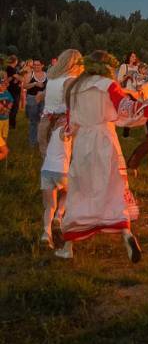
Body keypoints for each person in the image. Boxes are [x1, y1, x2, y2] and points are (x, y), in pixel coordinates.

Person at [55, 50, 148, 261]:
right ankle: (126, 233)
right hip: (105, 139)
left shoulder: (73, 87)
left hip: (83, 141)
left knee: (81, 189)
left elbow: (70, 122)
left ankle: (68, 247)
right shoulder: (108, 85)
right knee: (113, 187)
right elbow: (126, 108)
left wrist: (67, 133)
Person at [38, 49, 83, 248]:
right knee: (72, 187)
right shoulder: (70, 80)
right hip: (59, 127)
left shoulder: (52, 78)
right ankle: (60, 217)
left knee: (48, 202)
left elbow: (44, 98)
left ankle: (45, 234)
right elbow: (74, 104)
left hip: (45, 125)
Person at [22, 59, 47, 147]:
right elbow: (24, 86)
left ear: (42, 65)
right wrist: (34, 84)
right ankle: (32, 142)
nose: (36, 66)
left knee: (43, 120)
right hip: (32, 99)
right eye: (34, 65)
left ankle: (41, 140)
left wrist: (43, 92)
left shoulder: (46, 75)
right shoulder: (30, 74)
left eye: (38, 65)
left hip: (43, 99)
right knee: (33, 121)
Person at [117, 52, 140, 138]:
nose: (134, 58)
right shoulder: (124, 66)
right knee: (127, 112)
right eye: (132, 56)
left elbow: (138, 80)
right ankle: (125, 134)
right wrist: (127, 76)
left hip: (135, 92)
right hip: (126, 91)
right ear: (129, 57)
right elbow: (119, 80)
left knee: (133, 112)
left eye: (135, 56)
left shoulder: (137, 68)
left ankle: (127, 131)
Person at [4, 55, 23, 129]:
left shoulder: (12, 69)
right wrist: (20, 78)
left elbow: (15, 79)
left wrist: (17, 79)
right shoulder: (10, 68)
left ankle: (11, 123)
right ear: (15, 61)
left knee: (13, 107)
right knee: (14, 107)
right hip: (13, 91)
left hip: (13, 90)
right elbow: (19, 78)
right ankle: (11, 124)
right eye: (17, 61)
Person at [0, 75, 13, 144]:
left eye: (5, 85)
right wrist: (4, 108)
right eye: (1, 85)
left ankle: (4, 147)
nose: (3, 86)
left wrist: (9, 107)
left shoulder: (7, 93)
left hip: (6, 118)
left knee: (5, 134)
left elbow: (11, 101)